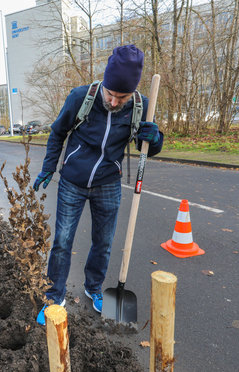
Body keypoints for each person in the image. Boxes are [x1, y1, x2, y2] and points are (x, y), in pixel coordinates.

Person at [33, 45, 164, 325]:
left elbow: (147, 149)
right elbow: (58, 133)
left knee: (103, 243)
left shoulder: (141, 106)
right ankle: (55, 296)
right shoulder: (82, 97)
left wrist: (155, 139)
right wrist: (48, 167)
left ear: (132, 93)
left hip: (108, 184)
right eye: (111, 94)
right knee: (62, 241)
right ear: (103, 83)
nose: (115, 102)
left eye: (122, 97)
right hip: (73, 181)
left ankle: (94, 289)